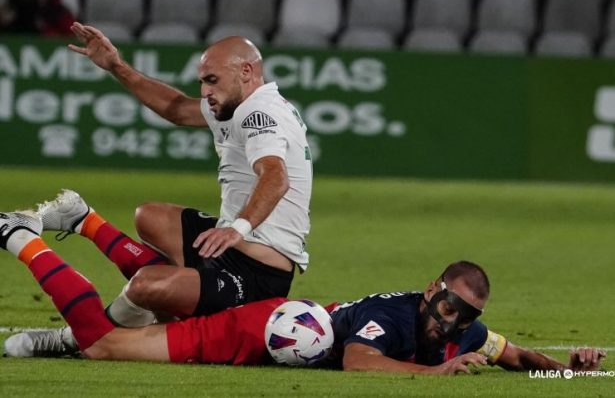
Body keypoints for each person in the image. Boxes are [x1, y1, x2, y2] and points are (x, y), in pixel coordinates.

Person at [1, 212, 606, 374]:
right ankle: (23, 237)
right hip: (256, 330)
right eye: (448, 307)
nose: (451, 323)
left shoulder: (461, 329)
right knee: (104, 344)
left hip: (275, 328)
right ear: (432, 291)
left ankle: (82, 220)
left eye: (465, 317)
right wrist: (434, 377)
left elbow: (519, 358)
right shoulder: (395, 321)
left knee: (151, 297)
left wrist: (567, 373)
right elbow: (358, 360)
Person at [64, 22, 313, 323]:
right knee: (151, 217)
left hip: (258, 272)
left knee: (145, 285)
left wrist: (237, 229)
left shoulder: (258, 113)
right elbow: (178, 109)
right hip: (231, 248)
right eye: (202, 82)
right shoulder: (237, 103)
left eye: (212, 80)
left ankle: (91, 335)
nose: (205, 91)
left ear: (246, 72)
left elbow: (276, 176)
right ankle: (184, 308)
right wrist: (116, 66)